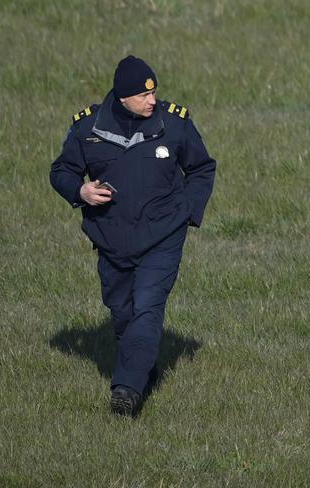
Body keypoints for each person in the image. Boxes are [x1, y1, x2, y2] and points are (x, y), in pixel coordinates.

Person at [51, 55, 217, 415]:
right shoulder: (87, 128)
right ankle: (142, 370)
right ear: (122, 97)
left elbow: (202, 168)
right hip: (112, 237)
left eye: (154, 92)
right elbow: (62, 169)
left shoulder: (174, 124)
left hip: (162, 235)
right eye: (143, 95)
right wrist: (80, 193)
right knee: (123, 312)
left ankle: (125, 392)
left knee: (147, 307)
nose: (152, 100)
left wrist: (187, 212)